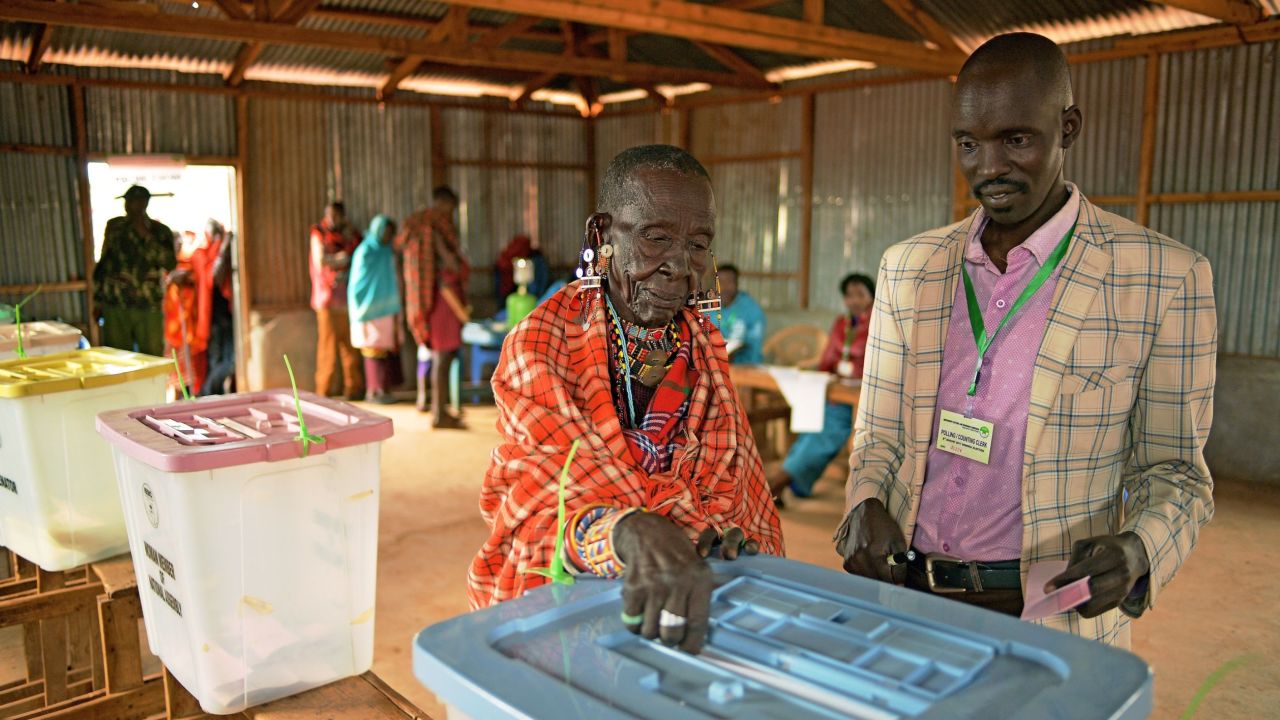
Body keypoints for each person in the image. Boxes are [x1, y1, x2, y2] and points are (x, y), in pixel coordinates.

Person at [835, 33, 1216, 647]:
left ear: (1068, 127)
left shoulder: (1163, 278)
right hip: (907, 600)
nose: (989, 168)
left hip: (1051, 615)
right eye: (968, 143)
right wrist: (864, 500)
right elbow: (878, 434)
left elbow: (1176, 471)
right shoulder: (908, 269)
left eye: (1016, 139)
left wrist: (1139, 549)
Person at [468, 145, 783, 654]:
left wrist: (721, 538)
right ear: (602, 236)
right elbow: (541, 502)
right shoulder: (544, 342)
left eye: (698, 244)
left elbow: (734, 494)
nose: (679, 266)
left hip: (682, 603)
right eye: (656, 238)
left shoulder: (703, 347)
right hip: (570, 606)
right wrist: (626, 530)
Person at [768, 273, 874, 502]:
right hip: (835, 392)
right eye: (849, 295)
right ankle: (794, 483)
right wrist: (821, 378)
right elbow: (828, 359)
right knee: (811, 428)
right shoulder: (841, 323)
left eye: (860, 295)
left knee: (826, 432)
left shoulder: (880, 323)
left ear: (872, 297)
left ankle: (779, 481)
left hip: (862, 400)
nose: (854, 300)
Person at [397, 186, 470, 428]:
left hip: (437, 304)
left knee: (442, 357)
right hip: (444, 305)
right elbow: (448, 266)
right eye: (450, 208)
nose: (450, 215)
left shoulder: (421, 228)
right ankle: (439, 414)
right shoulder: (434, 230)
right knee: (442, 357)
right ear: (443, 203)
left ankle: (441, 410)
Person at [94, 185, 178, 356]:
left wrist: (146, 235)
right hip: (116, 304)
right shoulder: (115, 227)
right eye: (129, 201)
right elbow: (104, 265)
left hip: (148, 305)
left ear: (145, 203)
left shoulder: (160, 231)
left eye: (136, 201)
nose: (131, 206)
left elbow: (170, 264)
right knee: (117, 358)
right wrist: (97, 300)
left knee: (152, 358)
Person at [309, 201, 364, 400]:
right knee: (327, 349)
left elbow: (358, 254)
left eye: (336, 215)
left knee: (350, 348)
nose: (332, 220)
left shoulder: (350, 235)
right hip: (327, 300)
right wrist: (344, 257)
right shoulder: (318, 233)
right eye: (329, 215)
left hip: (349, 300)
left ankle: (354, 389)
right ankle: (323, 392)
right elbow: (321, 260)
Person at [348, 215, 403, 405]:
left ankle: (383, 389)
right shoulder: (365, 252)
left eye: (391, 233)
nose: (389, 237)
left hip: (387, 309)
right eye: (386, 232)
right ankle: (374, 391)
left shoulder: (387, 252)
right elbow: (359, 282)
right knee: (372, 350)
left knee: (384, 350)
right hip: (368, 309)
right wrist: (366, 301)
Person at [163, 228, 221, 396]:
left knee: (188, 373)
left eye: (179, 242)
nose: (178, 245)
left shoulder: (187, 264)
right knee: (173, 374)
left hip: (186, 329)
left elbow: (192, 278)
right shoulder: (167, 267)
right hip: (171, 328)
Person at [202, 220, 236, 395]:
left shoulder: (223, 253)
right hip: (213, 319)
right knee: (219, 361)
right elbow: (213, 277)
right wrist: (223, 247)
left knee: (229, 361)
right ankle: (208, 394)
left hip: (227, 317)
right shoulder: (205, 254)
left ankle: (211, 395)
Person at [717, 264, 766, 365]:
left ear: (737, 284)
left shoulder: (751, 309)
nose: (724, 287)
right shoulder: (711, 309)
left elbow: (754, 343)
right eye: (720, 282)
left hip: (746, 368)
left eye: (729, 282)